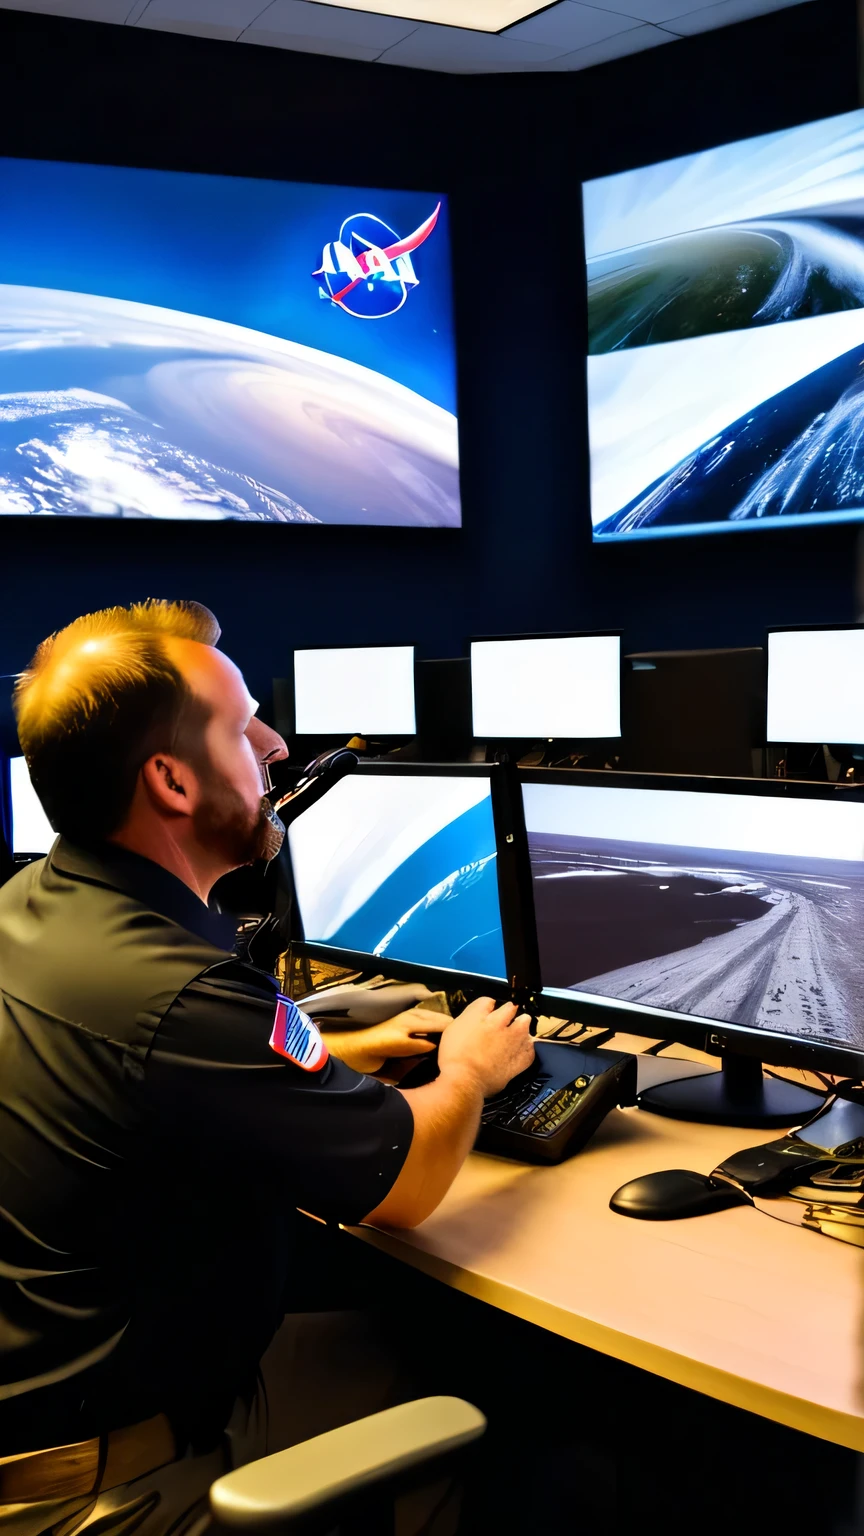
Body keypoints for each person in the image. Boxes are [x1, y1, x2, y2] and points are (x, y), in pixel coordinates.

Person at [0, 599, 534, 1534]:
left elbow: (165, 1074)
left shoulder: (33, 906)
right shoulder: (179, 1000)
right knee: (512, 1406)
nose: (277, 744)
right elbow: (407, 1182)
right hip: (118, 1489)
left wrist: (316, 1045)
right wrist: (472, 1070)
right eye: (244, 726)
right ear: (170, 780)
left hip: (57, 1404)